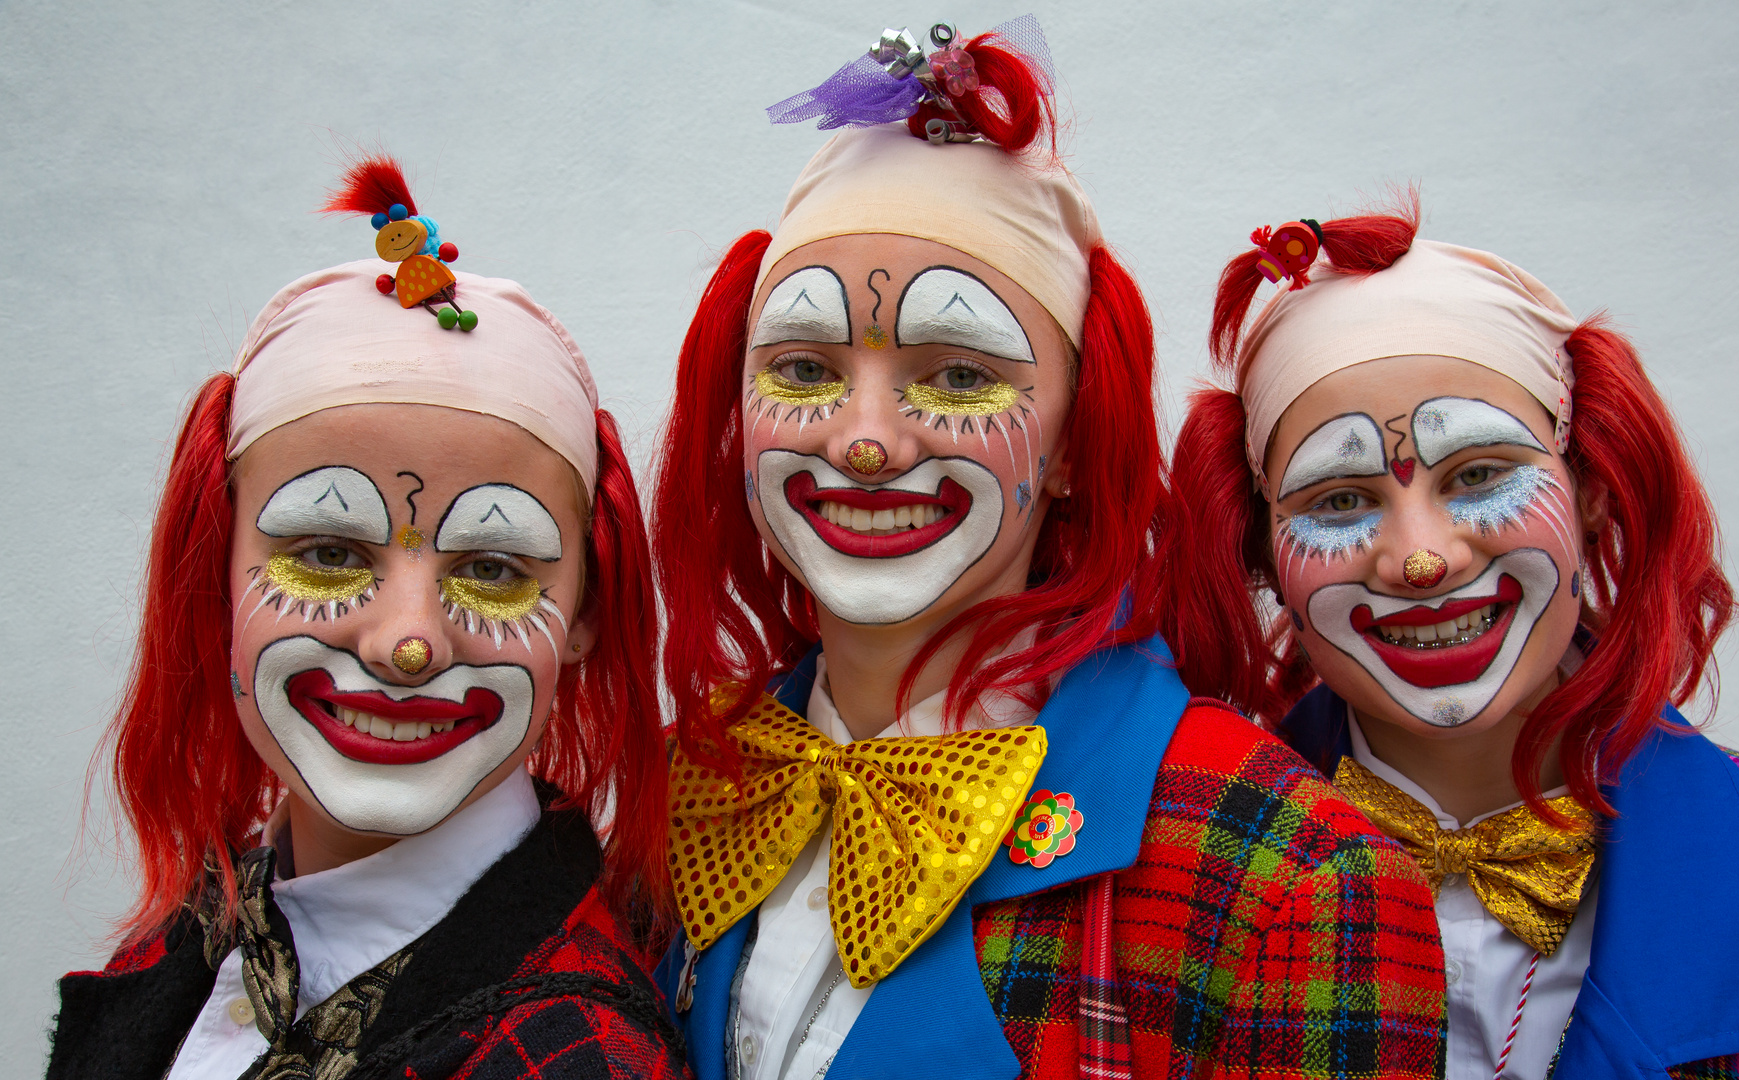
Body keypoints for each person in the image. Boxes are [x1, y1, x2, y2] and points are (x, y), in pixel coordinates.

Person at [650, 20, 1447, 1079]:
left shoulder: (1291, 877)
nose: (867, 439)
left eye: (961, 376)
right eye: (802, 369)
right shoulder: (690, 785)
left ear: (1074, 445)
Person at [1168, 201, 1739, 1078]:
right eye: (1337, 499)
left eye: (1480, 474)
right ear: (1263, 552)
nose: (1419, 557)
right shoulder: (1179, 883)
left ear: (1591, 490)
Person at [47, 157, 687, 1080]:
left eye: (495, 568)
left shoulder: (578, 1056)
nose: (406, 641)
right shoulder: (190, 938)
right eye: (330, 554)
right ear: (216, 569)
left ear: (583, 610)